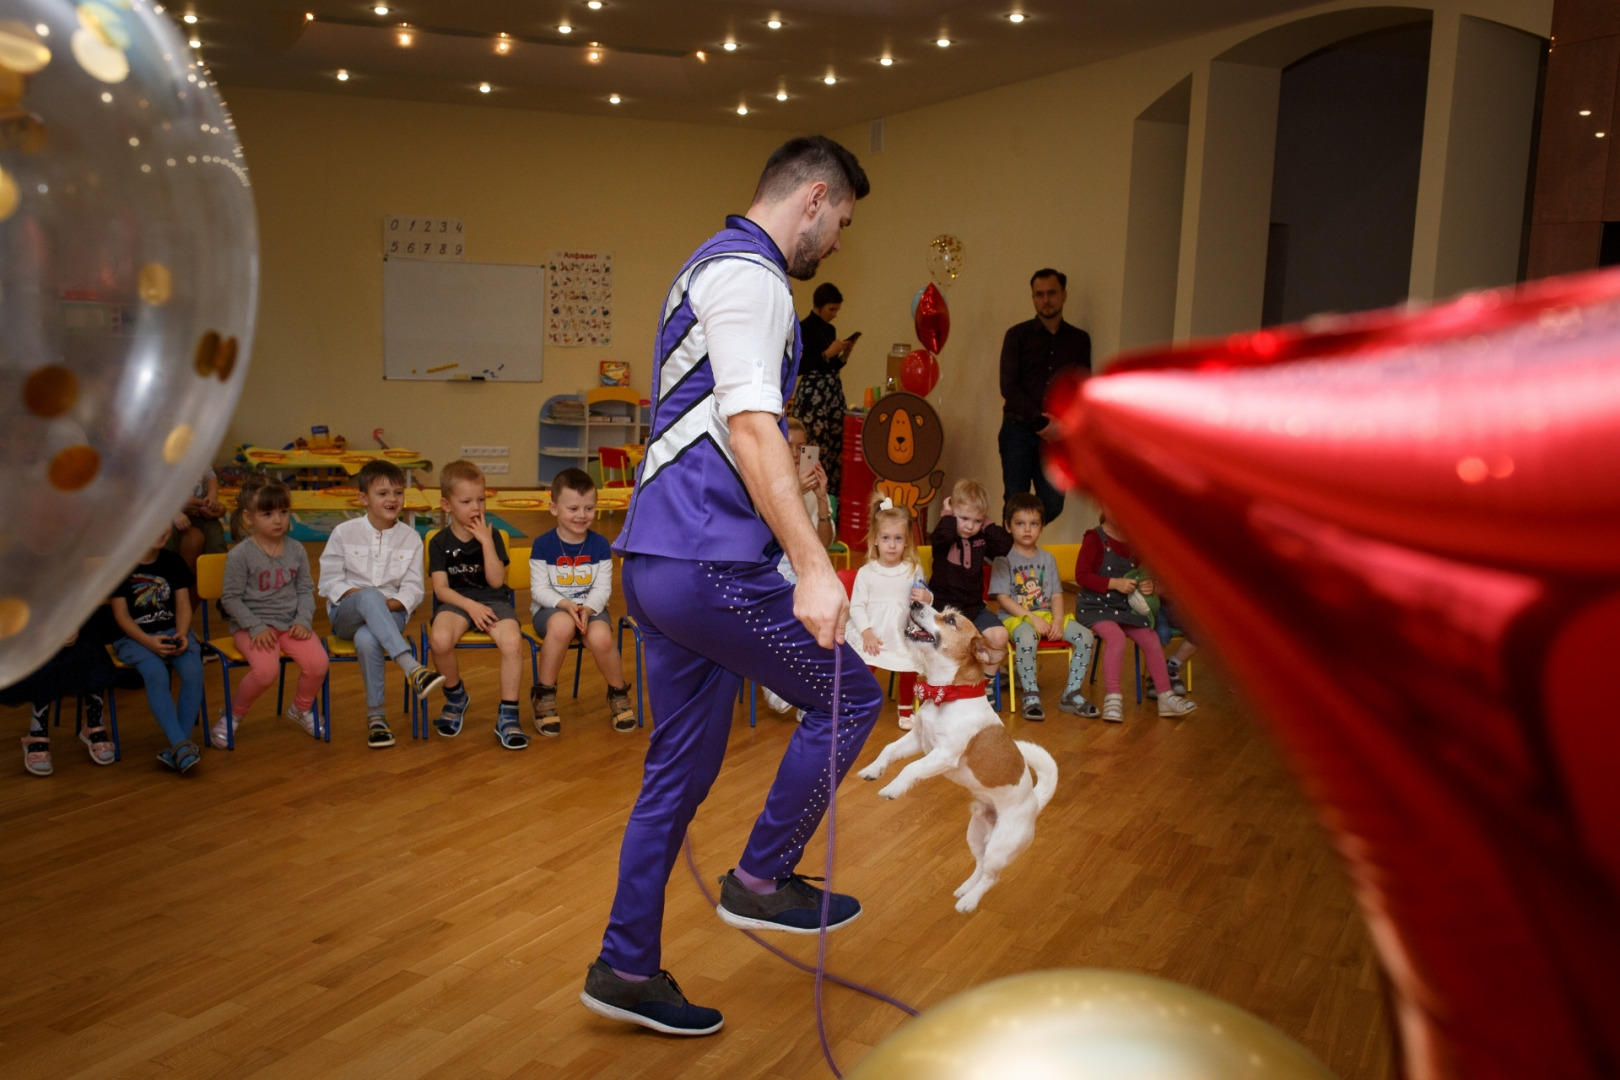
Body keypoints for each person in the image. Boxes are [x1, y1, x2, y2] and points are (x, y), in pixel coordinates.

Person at [581, 134, 882, 1037]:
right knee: (851, 698)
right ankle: (760, 877)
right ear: (815, 197)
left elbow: (731, 423)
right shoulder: (752, 274)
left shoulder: (712, 267)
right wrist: (817, 566)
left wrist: (793, 469)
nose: (835, 244)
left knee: (677, 773)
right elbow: (747, 427)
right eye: (841, 225)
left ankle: (625, 967)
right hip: (708, 563)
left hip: (661, 563)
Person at [318, 460, 445, 749]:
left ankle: (377, 719)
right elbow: (328, 582)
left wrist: (389, 604)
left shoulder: (411, 538)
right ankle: (413, 669)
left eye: (398, 493)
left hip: (392, 613)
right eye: (383, 493)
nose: (392, 499)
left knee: (367, 639)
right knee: (369, 596)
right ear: (364, 498)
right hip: (345, 613)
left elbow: (414, 588)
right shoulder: (343, 532)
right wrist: (367, 599)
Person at [214, 478, 327, 747]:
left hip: (290, 624)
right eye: (267, 514)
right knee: (266, 671)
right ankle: (232, 716)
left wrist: (302, 620)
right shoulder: (241, 555)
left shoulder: (296, 549)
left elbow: (304, 590)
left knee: (318, 664)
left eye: (283, 512)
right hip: (252, 626)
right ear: (249, 517)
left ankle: (300, 708)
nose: (278, 520)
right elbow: (230, 598)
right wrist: (254, 626)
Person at [526, 469, 637, 737]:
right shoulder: (543, 545)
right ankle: (545, 694)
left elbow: (603, 588)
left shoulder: (599, 545)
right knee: (563, 626)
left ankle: (617, 692)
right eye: (573, 508)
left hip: (591, 609)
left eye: (589, 508)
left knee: (601, 638)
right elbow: (539, 589)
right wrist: (565, 605)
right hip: (551, 610)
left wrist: (587, 609)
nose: (581, 515)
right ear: (554, 508)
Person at [426, 461, 528, 748]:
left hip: (494, 601)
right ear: (447, 505)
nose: (476, 507)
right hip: (457, 602)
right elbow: (441, 590)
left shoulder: (493, 535)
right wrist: (470, 607)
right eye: (467, 501)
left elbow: (496, 582)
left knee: (512, 643)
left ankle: (508, 713)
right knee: (440, 639)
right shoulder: (438, 542)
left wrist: (485, 542)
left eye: (481, 499)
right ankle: (456, 696)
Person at [1072, 514, 1196, 722]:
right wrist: (1113, 583)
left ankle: (1165, 695)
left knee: (1152, 638)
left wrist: (1148, 585)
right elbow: (1081, 575)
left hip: (1124, 608)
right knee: (1116, 638)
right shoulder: (1094, 538)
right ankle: (1113, 697)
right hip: (1095, 607)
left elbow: (1142, 576)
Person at [989, 493, 1099, 721]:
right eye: (1020, 523)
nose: (1027, 529)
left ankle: (1072, 693)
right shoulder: (1003, 558)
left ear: (1041, 527)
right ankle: (1030, 695)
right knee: (1027, 637)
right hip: (1015, 618)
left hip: (1047, 616)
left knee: (1086, 636)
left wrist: (1057, 620)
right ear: (1008, 526)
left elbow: (1057, 594)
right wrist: (1031, 618)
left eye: (1033, 524)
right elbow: (1003, 598)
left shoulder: (1048, 559)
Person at [998, 268, 1091, 524]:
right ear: (1033, 298)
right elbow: (1008, 386)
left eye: (1051, 293)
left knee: (1052, 501)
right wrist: (1039, 420)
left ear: (1063, 295)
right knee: (1015, 500)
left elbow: (1081, 388)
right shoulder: (1016, 336)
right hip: (1018, 428)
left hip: (1057, 434)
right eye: (1039, 294)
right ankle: (1010, 557)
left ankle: (1019, 542)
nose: (1045, 299)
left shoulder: (1079, 340)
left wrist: (1062, 424)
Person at [111, 526, 207, 772]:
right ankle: (181, 745)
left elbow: (184, 605)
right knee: (156, 673)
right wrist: (148, 642)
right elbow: (121, 617)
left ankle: (178, 746)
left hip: (172, 633)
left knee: (193, 671)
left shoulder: (173, 561)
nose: (160, 528)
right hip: (134, 638)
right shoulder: (120, 565)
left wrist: (182, 633)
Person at [848, 494, 932, 730]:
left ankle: (906, 711)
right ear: (875, 540)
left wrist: (927, 597)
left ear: (907, 542)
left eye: (898, 539)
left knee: (909, 667)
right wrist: (866, 633)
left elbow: (924, 599)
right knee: (864, 668)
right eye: (886, 538)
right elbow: (856, 606)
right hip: (874, 632)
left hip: (901, 633)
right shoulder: (867, 572)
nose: (892, 545)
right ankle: (857, 706)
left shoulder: (912, 569)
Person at [5, 607, 122, 775]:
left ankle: (94, 724)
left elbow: (82, 594)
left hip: (72, 621)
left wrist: (74, 625)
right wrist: (47, 631)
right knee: (43, 665)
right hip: (32, 630)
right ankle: (37, 733)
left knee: (92, 653)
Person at [928, 479, 1014, 655]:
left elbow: (1004, 545)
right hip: (944, 611)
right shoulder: (945, 535)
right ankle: (953, 680)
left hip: (974, 609)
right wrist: (948, 516)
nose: (969, 526)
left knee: (1000, 636)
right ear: (953, 514)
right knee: (951, 644)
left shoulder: (980, 539)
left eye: (977, 521)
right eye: (964, 518)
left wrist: (987, 522)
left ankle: (985, 682)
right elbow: (941, 536)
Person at [793, 282, 856, 501]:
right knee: (814, 446)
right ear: (819, 306)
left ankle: (830, 502)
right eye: (831, 309)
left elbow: (830, 367)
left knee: (834, 447)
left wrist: (844, 356)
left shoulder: (830, 329)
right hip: (813, 396)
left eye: (837, 310)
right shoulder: (804, 327)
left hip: (831, 393)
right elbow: (800, 367)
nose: (834, 314)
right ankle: (807, 498)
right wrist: (827, 353)